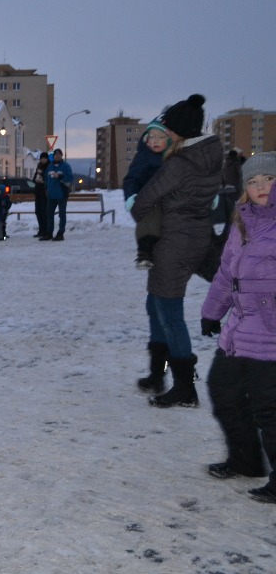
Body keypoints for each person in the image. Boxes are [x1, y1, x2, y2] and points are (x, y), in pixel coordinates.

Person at [131, 93, 223, 407]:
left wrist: (145, 211)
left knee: (169, 314)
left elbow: (144, 201)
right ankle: (158, 374)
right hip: (196, 236)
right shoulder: (211, 155)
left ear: (179, 131)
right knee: (155, 305)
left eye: (169, 128)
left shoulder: (180, 163)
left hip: (174, 242)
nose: (165, 132)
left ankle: (184, 388)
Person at [199, 152, 276, 502]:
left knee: (268, 408)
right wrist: (211, 312)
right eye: (253, 181)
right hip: (239, 329)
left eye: (269, 179)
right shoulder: (242, 221)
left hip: (270, 334)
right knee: (223, 389)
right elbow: (226, 273)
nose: (261, 187)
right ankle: (246, 460)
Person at [123, 120, 171, 269]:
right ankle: (144, 253)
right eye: (152, 137)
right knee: (150, 218)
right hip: (150, 198)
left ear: (169, 141)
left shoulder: (176, 157)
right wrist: (131, 196)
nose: (155, 141)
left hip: (172, 198)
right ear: (146, 139)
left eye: (161, 137)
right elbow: (132, 178)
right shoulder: (144, 157)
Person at [43, 149, 73, 241]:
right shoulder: (50, 167)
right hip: (51, 195)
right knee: (49, 214)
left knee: (62, 214)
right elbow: (46, 178)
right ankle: (49, 233)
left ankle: (60, 233)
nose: (57, 156)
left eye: (59, 154)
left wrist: (59, 176)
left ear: (61, 156)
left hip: (61, 194)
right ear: (54, 156)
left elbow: (70, 178)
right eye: (56, 154)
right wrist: (46, 189)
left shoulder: (66, 166)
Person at [31, 153, 50, 238]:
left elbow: (48, 177)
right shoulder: (39, 165)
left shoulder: (49, 166)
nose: (43, 160)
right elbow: (35, 176)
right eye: (42, 158)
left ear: (47, 159)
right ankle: (41, 230)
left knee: (44, 211)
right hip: (38, 191)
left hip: (44, 192)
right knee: (38, 211)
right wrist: (35, 179)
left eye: (44, 158)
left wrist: (42, 174)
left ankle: (45, 230)